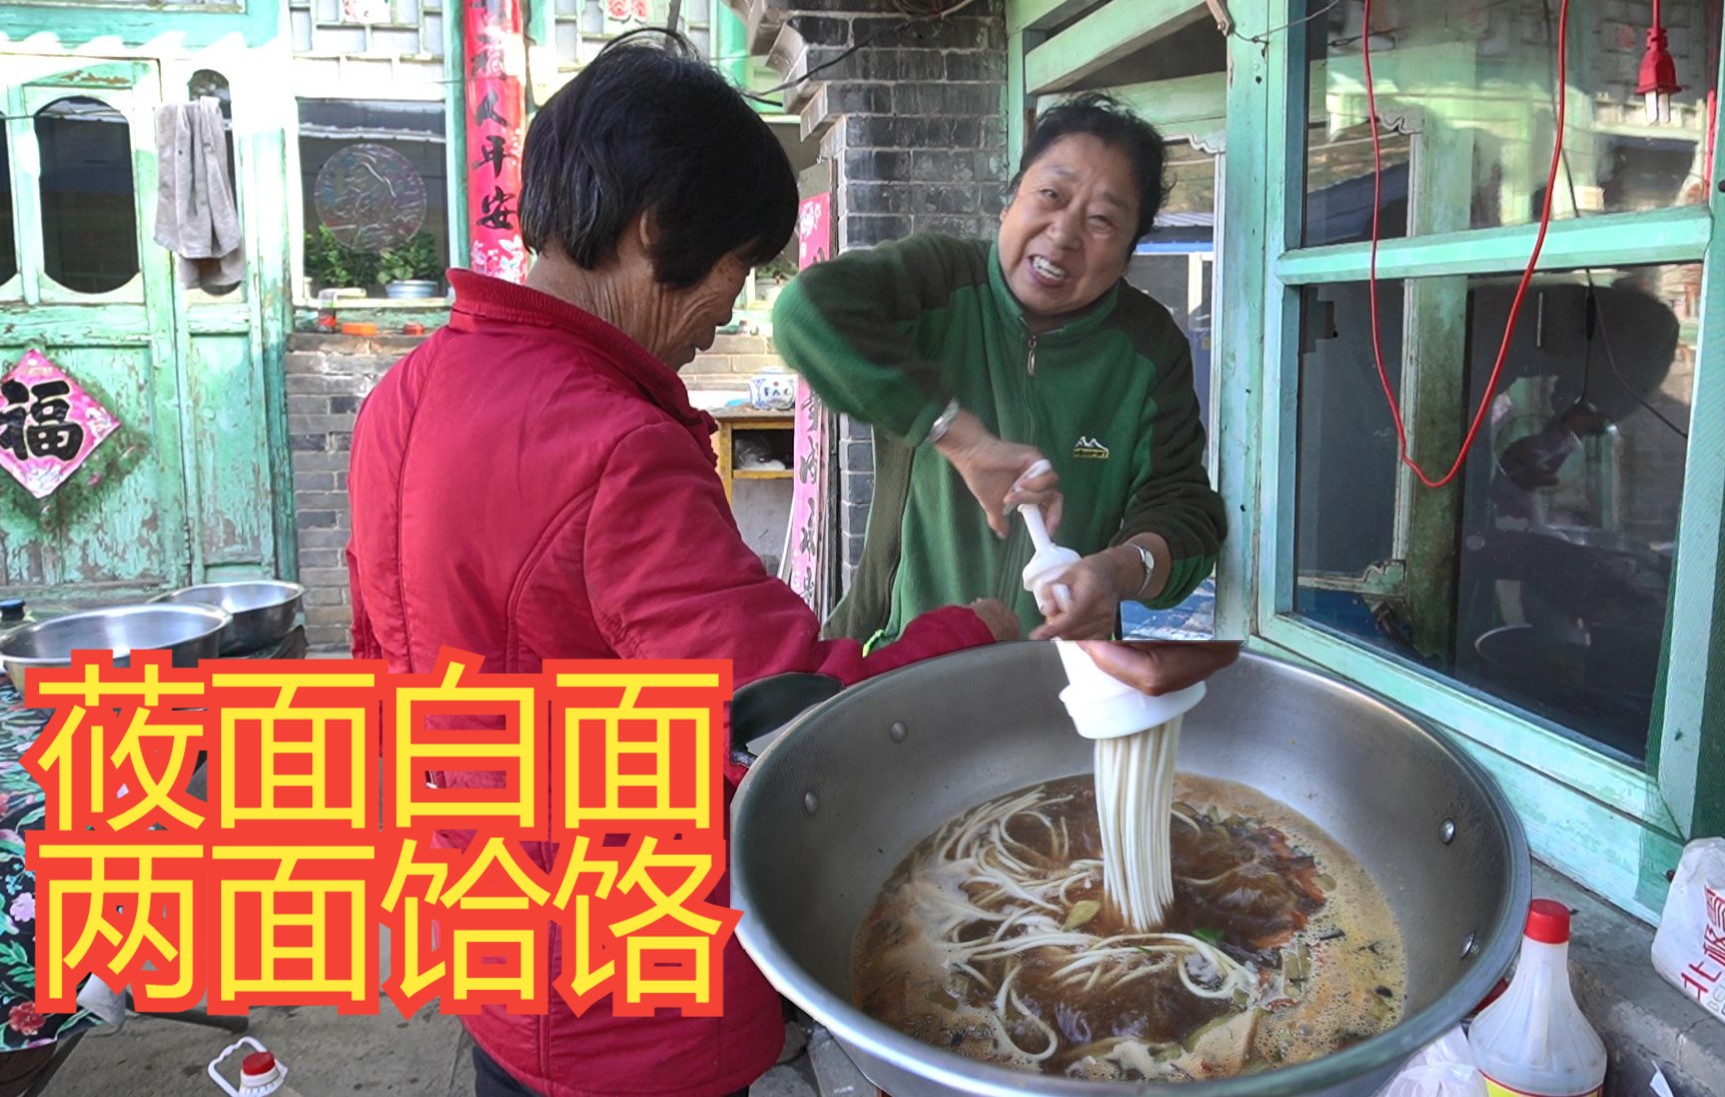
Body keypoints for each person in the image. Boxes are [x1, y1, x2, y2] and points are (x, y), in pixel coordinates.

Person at [343, 31, 1018, 1097]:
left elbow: (381, 668)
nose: (727, 310)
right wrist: (978, 632)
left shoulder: (405, 395)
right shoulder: (612, 444)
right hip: (623, 991)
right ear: (655, 232)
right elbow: (794, 716)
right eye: (733, 269)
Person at [773, 93, 1227, 647]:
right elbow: (806, 313)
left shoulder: (1148, 347)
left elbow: (1186, 511)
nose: (1063, 234)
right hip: (907, 663)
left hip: (1062, 681)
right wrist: (959, 438)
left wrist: (1116, 572)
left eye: (1102, 220)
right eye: (1050, 195)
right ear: (1009, 201)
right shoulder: (941, 282)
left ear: (1129, 252)